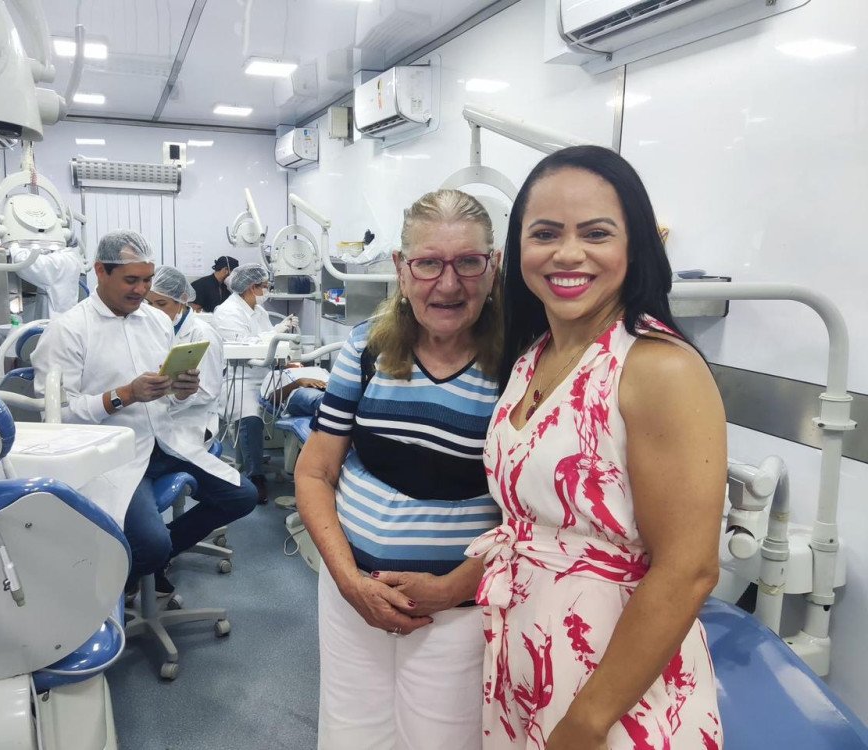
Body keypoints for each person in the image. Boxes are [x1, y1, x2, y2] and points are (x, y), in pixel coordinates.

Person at [467, 146, 726, 749]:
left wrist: (587, 721)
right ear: (518, 249)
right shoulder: (534, 356)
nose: (568, 253)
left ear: (634, 246)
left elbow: (689, 570)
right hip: (526, 660)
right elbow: (531, 528)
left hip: (615, 688)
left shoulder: (657, 368)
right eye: (546, 233)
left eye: (596, 233)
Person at [294, 189, 504, 750]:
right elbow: (314, 473)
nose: (449, 283)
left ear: (494, 267)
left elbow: (531, 519)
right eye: (429, 263)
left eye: (468, 262)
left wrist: (453, 587)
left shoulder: (520, 368)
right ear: (401, 270)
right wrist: (346, 579)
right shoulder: (367, 349)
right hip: (350, 596)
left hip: (456, 614)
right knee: (351, 735)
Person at [31, 231, 257, 596]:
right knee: (151, 545)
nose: (141, 290)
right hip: (112, 454)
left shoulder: (155, 321)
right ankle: (107, 586)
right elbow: (59, 420)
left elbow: (168, 399)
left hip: (163, 443)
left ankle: (142, 560)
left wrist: (183, 391)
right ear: (100, 271)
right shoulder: (68, 330)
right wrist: (123, 396)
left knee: (242, 496)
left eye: (147, 280)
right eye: (131, 280)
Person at [212, 263, 297, 503]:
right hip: (239, 378)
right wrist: (277, 333)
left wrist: (281, 339)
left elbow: (269, 344)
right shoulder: (227, 312)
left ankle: (278, 462)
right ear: (252, 287)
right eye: (265, 286)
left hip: (264, 375)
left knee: (294, 399)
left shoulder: (258, 311)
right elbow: (245, 347)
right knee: (250, 417)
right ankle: (255, 476)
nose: (267, 290)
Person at [145, 265, 227, 452]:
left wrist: (172, 395)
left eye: (161, 304)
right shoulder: (152, 329)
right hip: (156, 414)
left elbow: (208, 391)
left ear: (181, 300)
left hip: (190, 420)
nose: (153, 310)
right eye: (148, 304)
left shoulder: (203, 335)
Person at [259, 362, 329, 417]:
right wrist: (298, 382)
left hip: (325, 388)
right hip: (298, 392)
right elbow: (272, 398)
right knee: (321, 399)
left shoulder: (318, 369)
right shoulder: (274, 374)